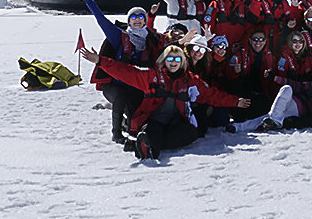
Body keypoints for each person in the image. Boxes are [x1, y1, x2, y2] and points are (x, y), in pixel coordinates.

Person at [78, 44, 250, 159]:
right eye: (170, 59)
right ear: (164, 60)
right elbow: (127, 72)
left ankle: (145, 144)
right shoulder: (152, 76)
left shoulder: (191, 80)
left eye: (177, 59)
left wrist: (236, 102)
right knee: (153, 130)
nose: (173, 63)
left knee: (191, 134)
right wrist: (100, 61)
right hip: (154, 120)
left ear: (182, 61)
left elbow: (212, 95)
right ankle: (148, 143)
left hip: (177, 121)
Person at [78, 0, 164, 145]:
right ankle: (116, 132)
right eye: (133, 17)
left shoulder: (150, 39)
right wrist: (88, 0)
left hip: (136, 85)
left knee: (137, 118)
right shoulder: (120, 36)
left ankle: (127, 124)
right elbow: (101, 20)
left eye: (140, 17)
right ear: (129, 21)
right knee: (121, 97)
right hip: (114, 84)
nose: (137, 20)